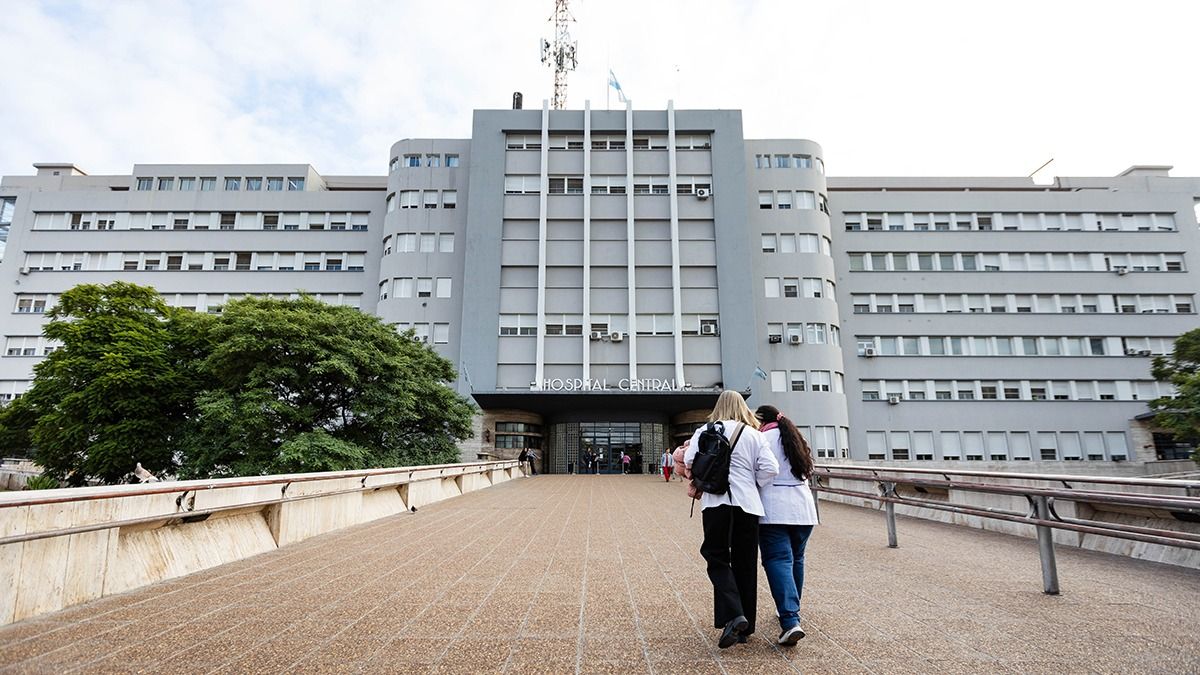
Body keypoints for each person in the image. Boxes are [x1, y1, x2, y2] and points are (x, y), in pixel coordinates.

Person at [685, 390, 778, 649]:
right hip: (748, 504)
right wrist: (752, 484)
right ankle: (744, 628)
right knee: (745, 562)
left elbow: (691, 461)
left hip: (716, 503)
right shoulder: (754, 434)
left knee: (716, 556)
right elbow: (771, 468)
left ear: (719, 406)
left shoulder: (705, 430)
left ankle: (734, 614)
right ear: (742, 407)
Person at [754, 404, 818, 646]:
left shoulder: (762, 438)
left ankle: (791, 620)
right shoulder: (795, 437)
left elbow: (760, 470)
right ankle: (789, 610)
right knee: (796, 559)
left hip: (774, 508)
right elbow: (809, 469)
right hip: (803, 509)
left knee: (778, 560)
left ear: (760, 421)